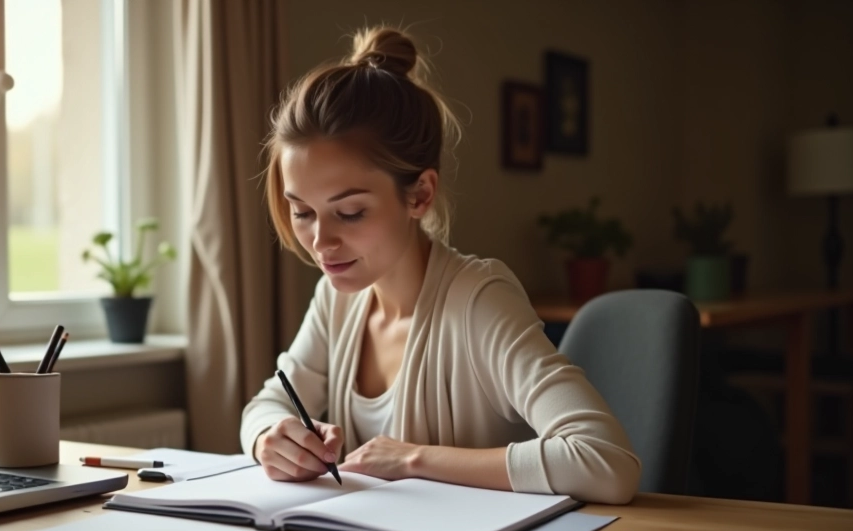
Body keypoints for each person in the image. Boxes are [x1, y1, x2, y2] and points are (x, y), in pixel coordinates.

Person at [240, 26, 641, 504]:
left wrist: (414, 461)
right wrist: (270, 438)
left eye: (349, 212)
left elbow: (606, 460)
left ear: (420, 195)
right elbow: (269, 403)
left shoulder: (479, 300)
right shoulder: (336, 298)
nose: (321, 243)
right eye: (302, 212)